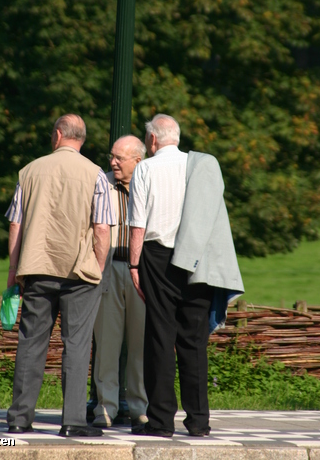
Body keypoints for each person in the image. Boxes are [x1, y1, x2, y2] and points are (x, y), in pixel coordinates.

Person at [128, 114, 244, 438]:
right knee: (194, 343)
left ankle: (161, 422)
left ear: (152, 140)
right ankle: (198, 422)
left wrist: (134, 266)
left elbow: (137, 224)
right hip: (197, 259)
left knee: (160, 339)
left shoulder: (145, 168)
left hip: (156, 257)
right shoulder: (199, 167)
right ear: (176, 137)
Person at [5, 114, 115, 438]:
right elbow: (102, 227)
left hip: (37, 268)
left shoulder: (29, 171)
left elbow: (16, 224)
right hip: (80, 272)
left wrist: (14, 272)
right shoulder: (96, 174)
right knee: (77, 345)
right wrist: (97, 264)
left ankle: (19, 418)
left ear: (57, 135)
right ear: (81, 139)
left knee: (31, 343)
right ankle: (73, 421)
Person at [92, 135, 148, 433]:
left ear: (137, 161)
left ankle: (140, 408)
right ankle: (105, 407)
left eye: (119, 158)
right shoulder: (101, 184)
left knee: (141, 345)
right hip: (109, 270)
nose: (112, 162)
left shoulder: (150, 184)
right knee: (107, 343)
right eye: (111, 156)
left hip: (142, 273)